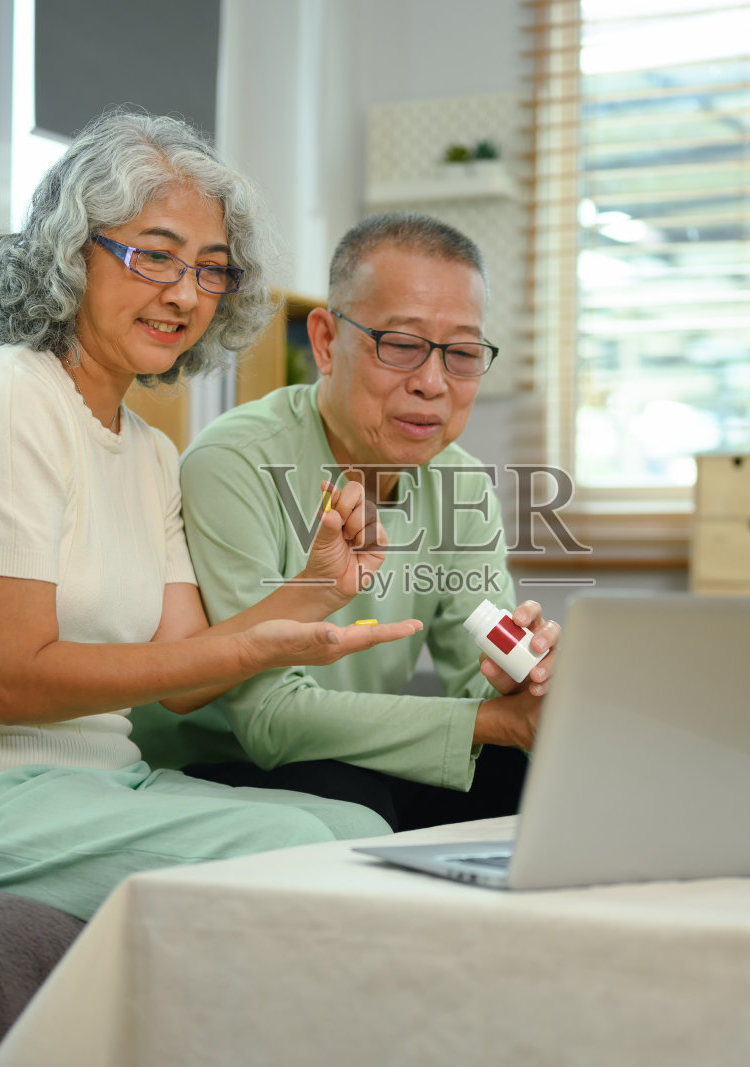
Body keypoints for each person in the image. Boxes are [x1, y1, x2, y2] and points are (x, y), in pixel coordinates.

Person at [0, 112, 419, 922]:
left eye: (210, 271)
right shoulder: (3, 396)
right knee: (303, 858)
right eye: (154, 256)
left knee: (357, 831)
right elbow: (12, 676)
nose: (182, 293)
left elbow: (179, 672)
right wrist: (255, 639)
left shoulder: (148, 454)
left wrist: (311, 592)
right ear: (74, 252)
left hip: (97, 785)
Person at [129, 212, 562, 831]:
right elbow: (271, 721)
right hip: (214, 765)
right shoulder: (234, 462)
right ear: (327, 343)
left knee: (535, 780)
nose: (433, 383)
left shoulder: (459, 481)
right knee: (347, 794)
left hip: (352, 756)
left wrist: (529, 682)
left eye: (462, 353)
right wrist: (492, 721)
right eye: (403, 345)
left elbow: (479, 679)